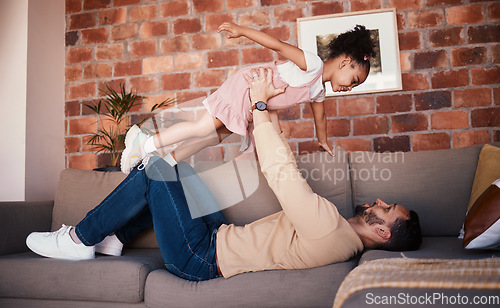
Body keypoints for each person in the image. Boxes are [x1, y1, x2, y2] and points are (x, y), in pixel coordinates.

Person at [26, 68, 421, 282]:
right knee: (176, 168)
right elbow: (283, 167)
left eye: (388, 210)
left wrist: (262, 104)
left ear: (382, 233)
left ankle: (81, 238)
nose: (379, 202)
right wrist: (270, 125)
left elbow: (281, 174)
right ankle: (116, 238)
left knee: (158, 166)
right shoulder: (334, 230)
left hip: (198, 257)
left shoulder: (331, 231)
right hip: (216, 238)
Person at [120, 22, 376, 174]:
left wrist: (323, 141)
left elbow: (320, 117)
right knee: (202, 127)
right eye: (353, 81)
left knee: (211, 138)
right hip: (246, 88)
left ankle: (166, 162)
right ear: (344, 63)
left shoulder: (318, 90)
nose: (350, 88)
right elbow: (277, 45)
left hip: (256, 105)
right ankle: (143, 143)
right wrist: (241, 30)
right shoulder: (312, 64)